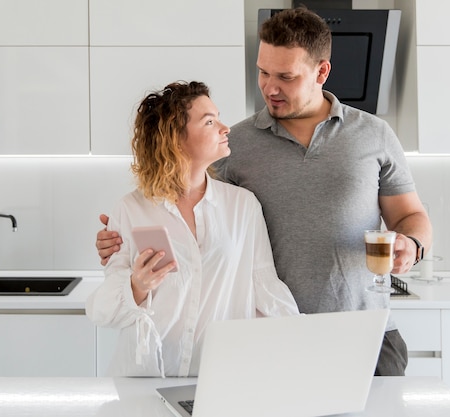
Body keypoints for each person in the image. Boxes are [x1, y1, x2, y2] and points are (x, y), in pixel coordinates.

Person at [96, 7, 432, 376]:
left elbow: (410, 216)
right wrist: (123, 247)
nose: (270, 87)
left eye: (286, 76)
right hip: (276, 341)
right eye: (263, 72)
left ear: (321, 71)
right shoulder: (234, 142)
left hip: (367, 333)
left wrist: (412, 245)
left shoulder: (374, 134)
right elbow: (192, 219)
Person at [86, 81, 299, 378]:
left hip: (217, 379)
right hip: (145, 378)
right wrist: (136, 286)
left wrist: (300, 346)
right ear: (175, 139)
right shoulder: (130, 209)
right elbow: (102, 311)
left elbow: (264, 287)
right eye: (210, 122)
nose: (225, 128)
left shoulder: (243, 206)